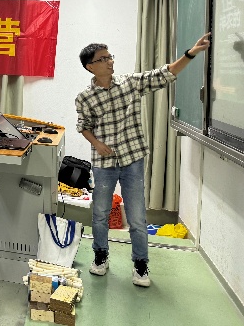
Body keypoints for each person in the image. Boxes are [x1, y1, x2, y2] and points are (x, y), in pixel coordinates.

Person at [75, 32, 211, 288]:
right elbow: (84, 126)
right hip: (104, 165)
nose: (110, 61)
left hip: (132, 159)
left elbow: (164, 74)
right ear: (90, 66)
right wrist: (97, 144)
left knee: (137, 217)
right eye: (103, 59)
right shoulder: (85, 97)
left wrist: (191, 53)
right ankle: (101, 257)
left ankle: (140, 264)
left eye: (110, 56)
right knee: (100, 214)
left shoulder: (130, 83)